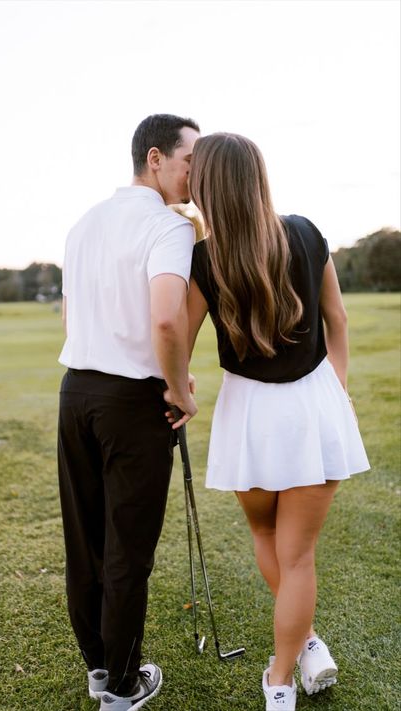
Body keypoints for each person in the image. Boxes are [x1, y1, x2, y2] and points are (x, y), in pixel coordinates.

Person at [179, 133, 370, 711]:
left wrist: (175, 389)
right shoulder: (306, 232)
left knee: (268, 537)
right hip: (312, 404)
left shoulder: (202, 258)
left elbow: (178, 345)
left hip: (250, 412)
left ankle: (291, 662)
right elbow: (337, 320)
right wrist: (335, 387)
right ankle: (284, 675)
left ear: (206, 185)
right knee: (299, 557)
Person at [57, 114, 199, 711]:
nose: (198, 170)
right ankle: (120, 688)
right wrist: (181, 390)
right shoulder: (170, 227)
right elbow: (167, 318)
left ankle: (99, 669)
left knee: (86, 541)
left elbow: (69, 319)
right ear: (156, 158)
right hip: (131, 403)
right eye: (191, 158)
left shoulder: (84, 222)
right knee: (127, 550)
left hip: (76, 395)